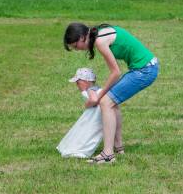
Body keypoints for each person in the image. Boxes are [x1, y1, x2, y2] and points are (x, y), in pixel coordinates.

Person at [63, 23, 159, 164]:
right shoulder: (99, 33)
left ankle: (108, 154)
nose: (77, 49)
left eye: (76, 46)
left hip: (144, 71)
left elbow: (116, 73)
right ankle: (118, 147)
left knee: (106, 102)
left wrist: (97, 98)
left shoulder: (100, 41)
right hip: (145, 67)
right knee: (111, 102)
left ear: (83, 37)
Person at [56, 68, 103, 158]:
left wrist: (87, 104)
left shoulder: (91, 90)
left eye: (78, 83)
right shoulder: (96, 89)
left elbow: (94, 99)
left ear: (85, 81)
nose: (77, 86)